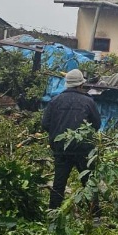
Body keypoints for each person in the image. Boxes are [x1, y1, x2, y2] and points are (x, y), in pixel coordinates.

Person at [41, 69, 102, 211]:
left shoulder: (54, 101)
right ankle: (95, 216)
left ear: (67, 84)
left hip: (61, 149)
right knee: (88, 183)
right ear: (81, 84)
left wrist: (58, 135)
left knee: (59, 184)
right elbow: (97, 125)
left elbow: (45, 124)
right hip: (83, 149)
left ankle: (53, 214)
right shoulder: (88, 101)